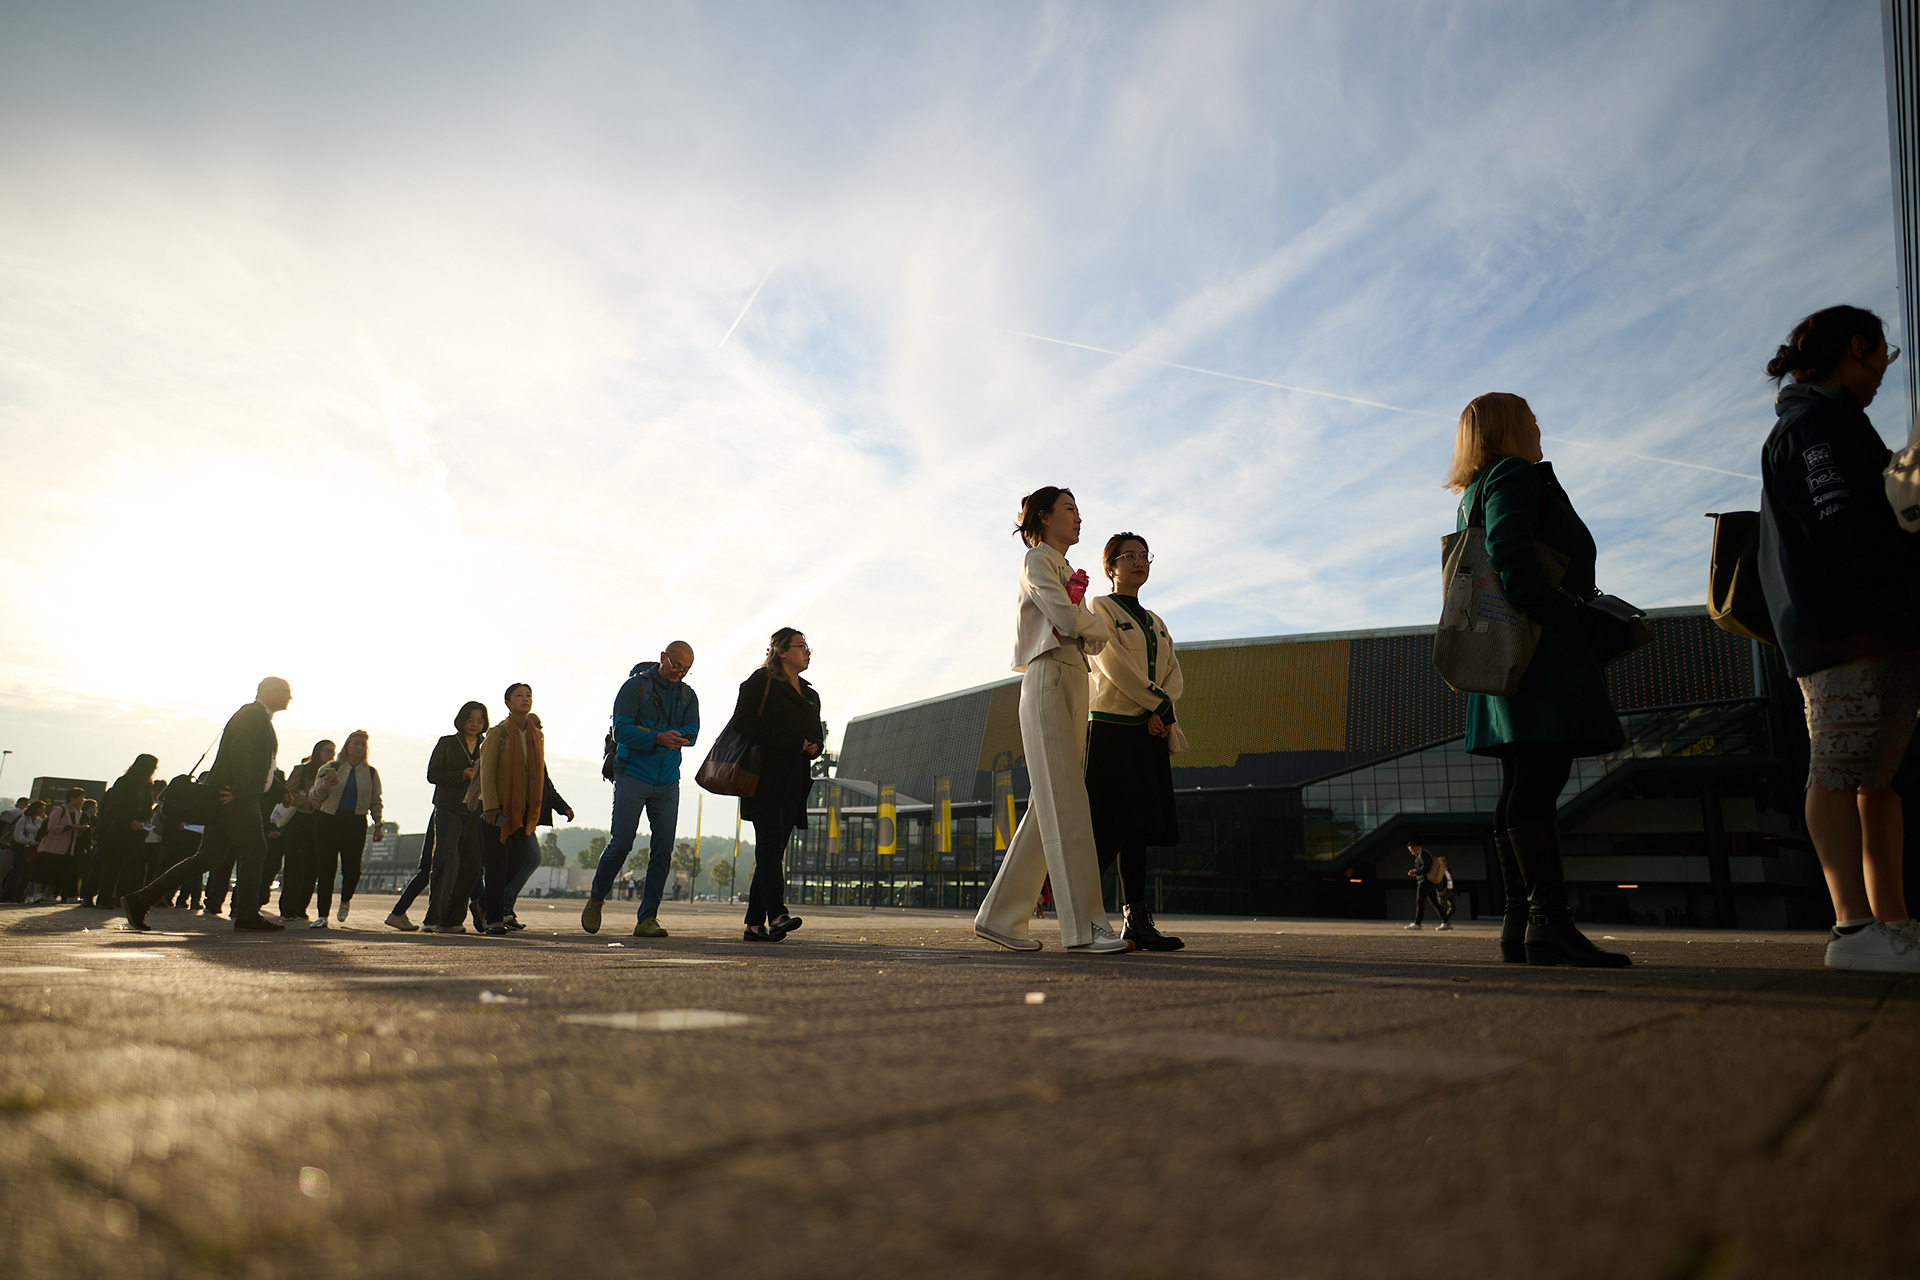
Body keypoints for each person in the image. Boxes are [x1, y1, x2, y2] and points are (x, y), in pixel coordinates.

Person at [1757, 306, 1920, 972]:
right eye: (1885, 353)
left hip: (1870, 624)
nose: (1886, 368)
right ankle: (1854, 931)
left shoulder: (1833, 422)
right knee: (1838, 768)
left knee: (1877, 780)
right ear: (1858, 347)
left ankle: (1891, 923)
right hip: (1840, 630)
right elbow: (1842, 524)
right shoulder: (1814, 427)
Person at [1446, 395, 1628, 968]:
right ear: (1508, 429)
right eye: (1531, 419)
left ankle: (1519, 921)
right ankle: (1548, 921)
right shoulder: (1515, 474)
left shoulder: (1476, 488)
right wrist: (1560, 613)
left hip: (1501, 650)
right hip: (1537, 650)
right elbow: (1508, 551)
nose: (1539, 426)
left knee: (1521, 780)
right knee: (1540, 779)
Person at [974, 487, 1130, 954]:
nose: (1079, 518)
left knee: (1052, 803)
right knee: (1068, 800)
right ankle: (1085, 928)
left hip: (1074, 677)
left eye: (1079, 511)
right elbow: (1068, 618)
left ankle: (1000, 917)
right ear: (1042, 518)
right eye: (1069, 510)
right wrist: (1087, 622)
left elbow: (1093, 636)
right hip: (1046, 675)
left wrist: (1085, 624)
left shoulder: (1064, 569)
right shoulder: (1037, 561)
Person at [123, 676, 292, 933]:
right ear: (269, 691)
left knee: (208, 857)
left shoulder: (258, 717)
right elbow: (241, 752)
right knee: (255, 850)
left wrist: (279, 790)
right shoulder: (252, 715)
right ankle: (246, 915)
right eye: (285, 692)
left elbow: (263, 764)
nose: (290, 697)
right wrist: (241, 790)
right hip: (234, 798)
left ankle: (140, 900)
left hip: (227, 795)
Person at [1085, 531, 1187, 952]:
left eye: (1144, 556)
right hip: (1112, 727)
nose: (1138, 562)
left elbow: (1173, 673)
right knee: (1108, 825)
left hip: (1149, 730)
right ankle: (1082, 912)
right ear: (1110, 567)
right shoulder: (1099, 608)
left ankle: (1136, 918)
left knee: (1139, 829)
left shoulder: (1156, 622)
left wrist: (1161, 710)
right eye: (1128, 556)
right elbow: (1111, 663)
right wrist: (1155, 706)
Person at [584, 642, 700, 939]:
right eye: (675, 666)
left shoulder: (688, 695)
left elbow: (694, 732)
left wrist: (680, 737)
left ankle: (647, 918)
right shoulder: (634, 688)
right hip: (632, 774)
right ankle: (597, 897)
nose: (679, 673)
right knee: (621, 843)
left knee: (663, 851)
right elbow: (620, 731)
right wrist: (657, 738)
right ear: (663, 658)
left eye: (686, 669)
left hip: (668, 781)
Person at [729, 628, 823, 942]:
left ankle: (754, 925)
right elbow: (743, 722)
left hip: (795, 782)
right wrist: (794, 742)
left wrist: (815, 746)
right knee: (769, 849)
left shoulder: (810, 694)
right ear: (781, 651)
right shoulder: (760, 683)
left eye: (807, 646)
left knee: (773, 852)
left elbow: (816, 734)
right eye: (801, 646)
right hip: (764, 778)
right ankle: (777, 914)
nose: (807, 651)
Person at [478, 683, 573, 936]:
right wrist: (490, 807)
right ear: (508, 703)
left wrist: (557, 806)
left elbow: (540, 777)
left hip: (524, 812)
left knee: (516, 863)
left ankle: (482, 904)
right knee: (497, 866)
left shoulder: (535, 736)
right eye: (518, 696)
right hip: (497, 810)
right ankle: (494, 919)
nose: (525, 699)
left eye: (528, 695)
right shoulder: (498, 733)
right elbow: (486, 772)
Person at [413, 701, 489, 934]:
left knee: (471, 866)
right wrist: (461, 774)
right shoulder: (447, 743)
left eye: (480, 720)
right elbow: (432, 774)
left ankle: (452, 920)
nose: (475, 724)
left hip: (476, 810)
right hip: (448, 808)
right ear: (462, 720)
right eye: (470, 719)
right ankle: (432, 918)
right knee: (445, 861)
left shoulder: (487, 746)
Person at [307, 730, 383, 927]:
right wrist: (324, 786)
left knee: (352, 869)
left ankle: (345, 899)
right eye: (355, 743)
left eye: (362, 745)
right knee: (326, 869)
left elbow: (376, 801)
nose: (358, 748)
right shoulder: (330, 767)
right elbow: (314, 796)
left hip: (356, 821)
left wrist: (378, 824)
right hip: (329, 820)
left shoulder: (371, 773)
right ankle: (322, 915)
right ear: (347, 745)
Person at [87, 759, 156, 908]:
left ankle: (121, 898)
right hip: (118, 831)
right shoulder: (125, 783)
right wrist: (130, 821)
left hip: (136, 831)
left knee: (131, 868)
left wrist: (146, 820)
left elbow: (146, 807)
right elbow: (115, 807)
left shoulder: (147, 786)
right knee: (110, 865)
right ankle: (103, 899)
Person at [27, 788, 87, 904]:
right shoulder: (59, 810)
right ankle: (37, 893)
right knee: (43, 871)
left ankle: (49, 895)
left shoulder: (76, 813)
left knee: (56, 873)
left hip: (66, 848)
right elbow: (51, 827)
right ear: (72, 798)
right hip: (51, 846)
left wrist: (79, 829)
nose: (82, 800)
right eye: (80, 797)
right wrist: (70, 827)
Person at [1405, 843, 1454, 931]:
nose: (1412, 853)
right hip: (1429, 881)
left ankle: (1417, 922)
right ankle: (1445, 921)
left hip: (1425, 881)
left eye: (1412, 850)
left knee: (1420, 901)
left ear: (1416, 847)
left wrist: (1415, 871)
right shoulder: (1424, 853)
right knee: (1434, 902)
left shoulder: (1423, 853)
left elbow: (1426, 867)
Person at [7, 802, 47, 902]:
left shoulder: (39, 821)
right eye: (41, 808)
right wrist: (27, 841)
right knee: (17, 872)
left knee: (27, 874)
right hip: (23, 847)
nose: (43, 810)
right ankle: (8, 895)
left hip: (33, 848)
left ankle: (19, 896)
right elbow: (17, 835)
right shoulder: (24, 819)